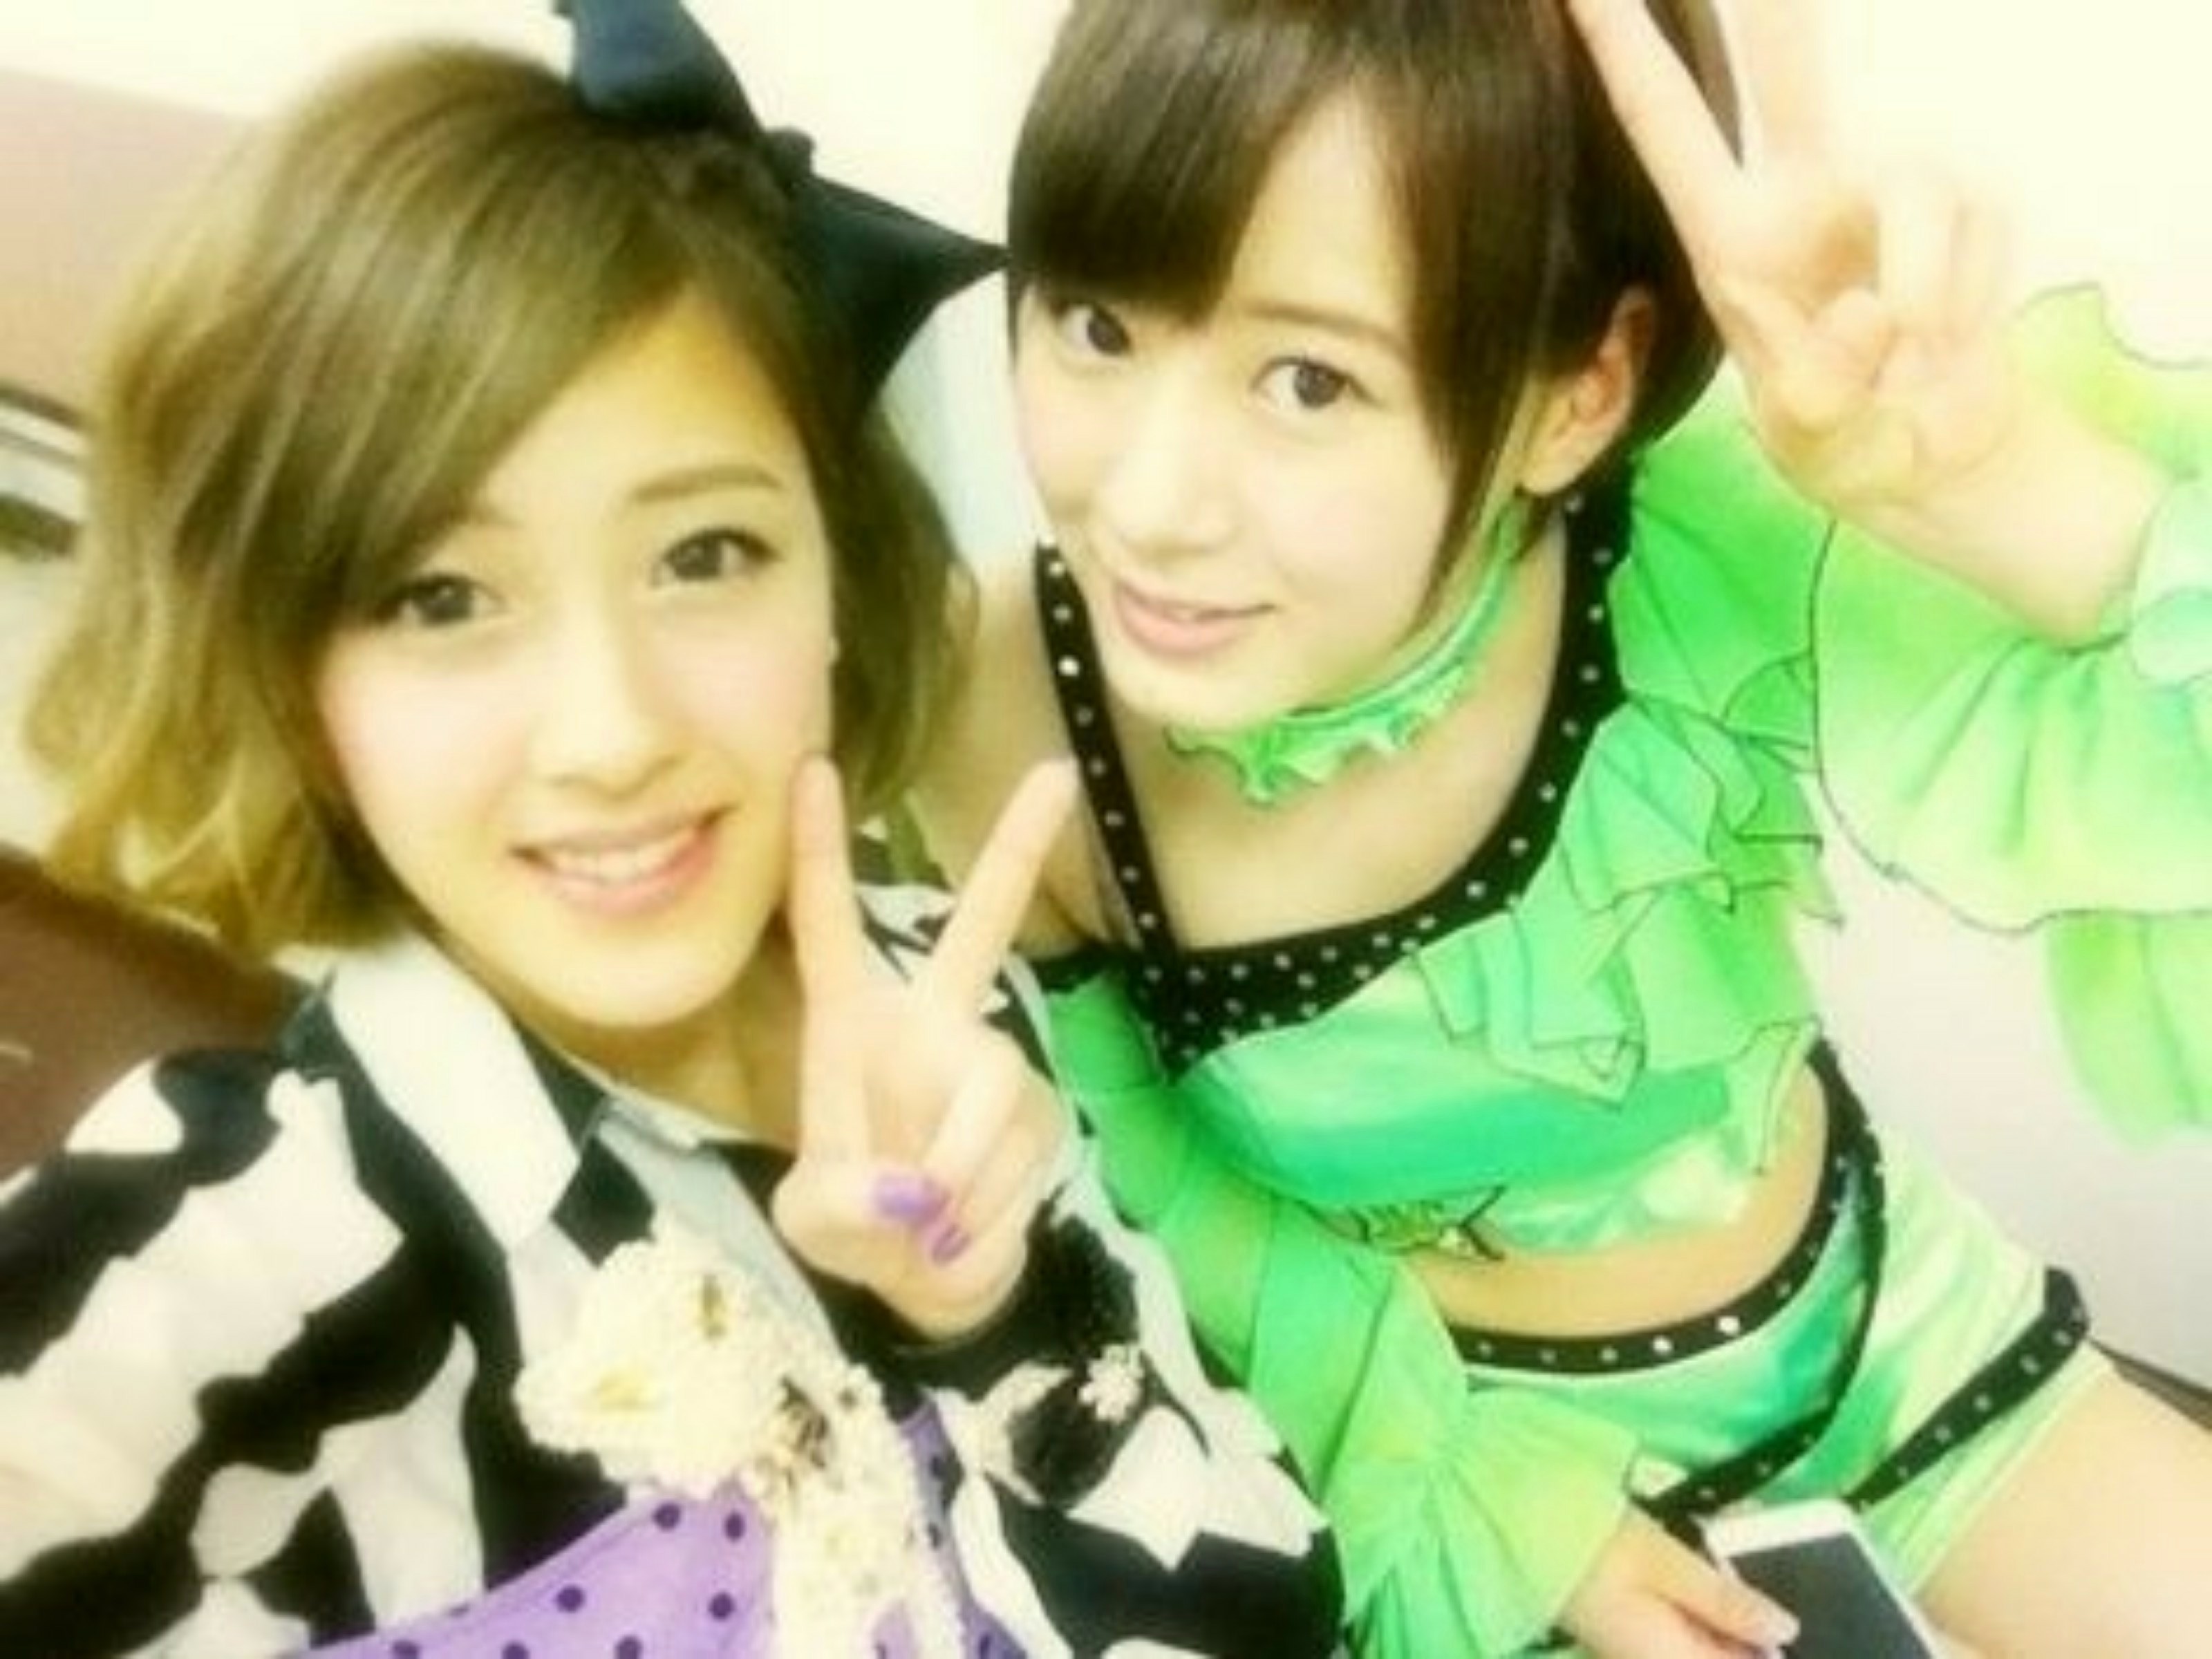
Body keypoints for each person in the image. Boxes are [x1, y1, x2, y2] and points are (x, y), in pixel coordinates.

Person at [0, 5, 1344, 1655]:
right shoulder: (239, 1272)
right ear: (296, 680)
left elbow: (1268, 1612)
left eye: (705, 556)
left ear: (838, 577)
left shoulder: (945, 1011)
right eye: (442, 597)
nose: (615, 732)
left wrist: (988, 1314)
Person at [909, 0, 2212, 1653]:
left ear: (1578, 395)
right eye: (1096, 326)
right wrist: (1494, 1508)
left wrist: (1987, 477)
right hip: (1440, 1473)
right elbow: (1135, 1174)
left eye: (1308, 379)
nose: (1151, 504)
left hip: (1890, 1355)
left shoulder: (1690, 544)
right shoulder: (1006, 701)